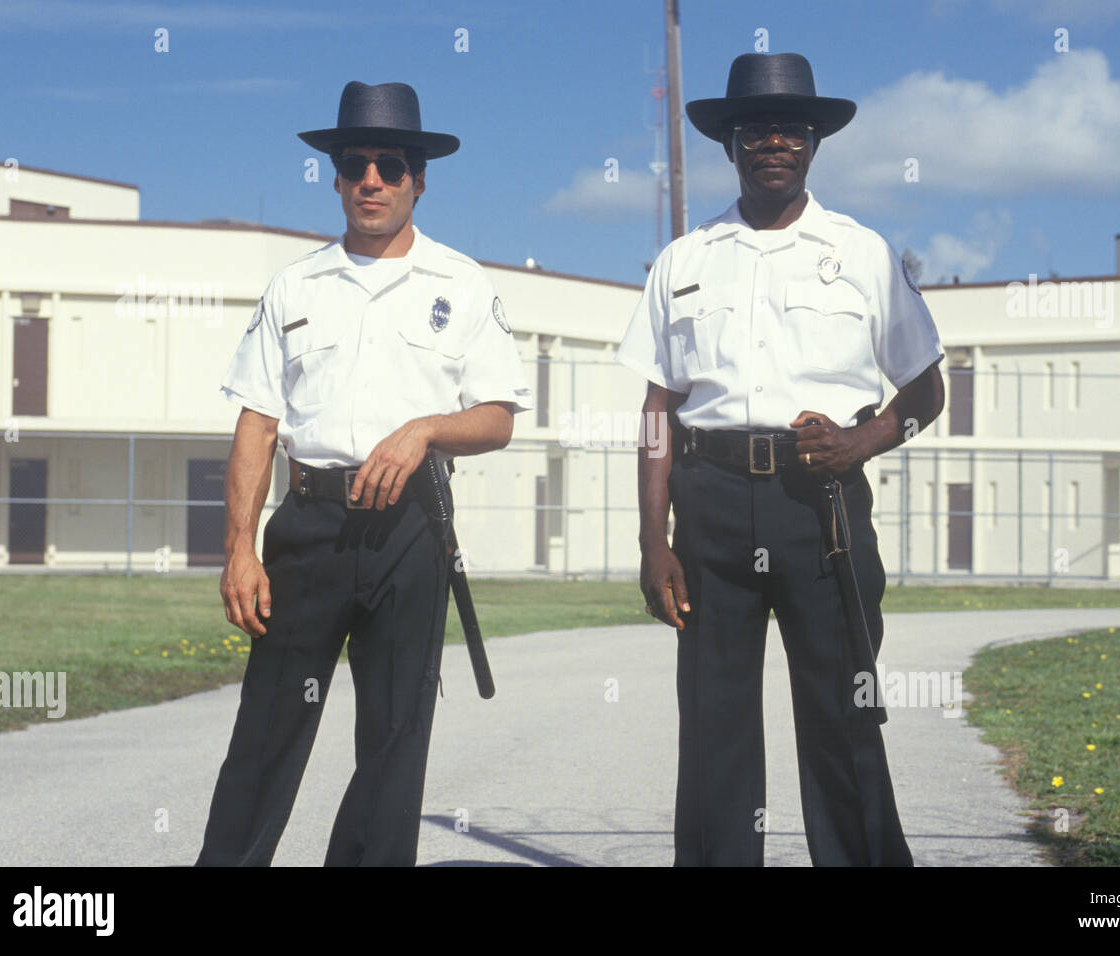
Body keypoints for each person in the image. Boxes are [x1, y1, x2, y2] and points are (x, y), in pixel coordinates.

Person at [615, 53, 946, 866]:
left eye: (791, 128)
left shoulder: (862, 252)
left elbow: (928, 391)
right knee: (716, 724)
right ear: (730, 143)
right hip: (711, 505)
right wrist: (653, 540)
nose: (774, 141)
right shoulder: (683, 261)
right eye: (755, 128)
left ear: (813, 144)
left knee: (844, 714)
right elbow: (658, 412)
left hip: (820, 508)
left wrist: (862, 442)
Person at [196, 80, 533, 866]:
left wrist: (425, 430)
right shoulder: (296, 286)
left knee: (393, 740)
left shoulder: (462, 284)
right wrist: (240, 548)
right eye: (355, 165)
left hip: (409, 531)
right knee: (267, 731)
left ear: (420, 176)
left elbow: (498, 416)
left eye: (390, 163)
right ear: (337, 176)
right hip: (308, 528)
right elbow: (256, 421)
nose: (371, 180)